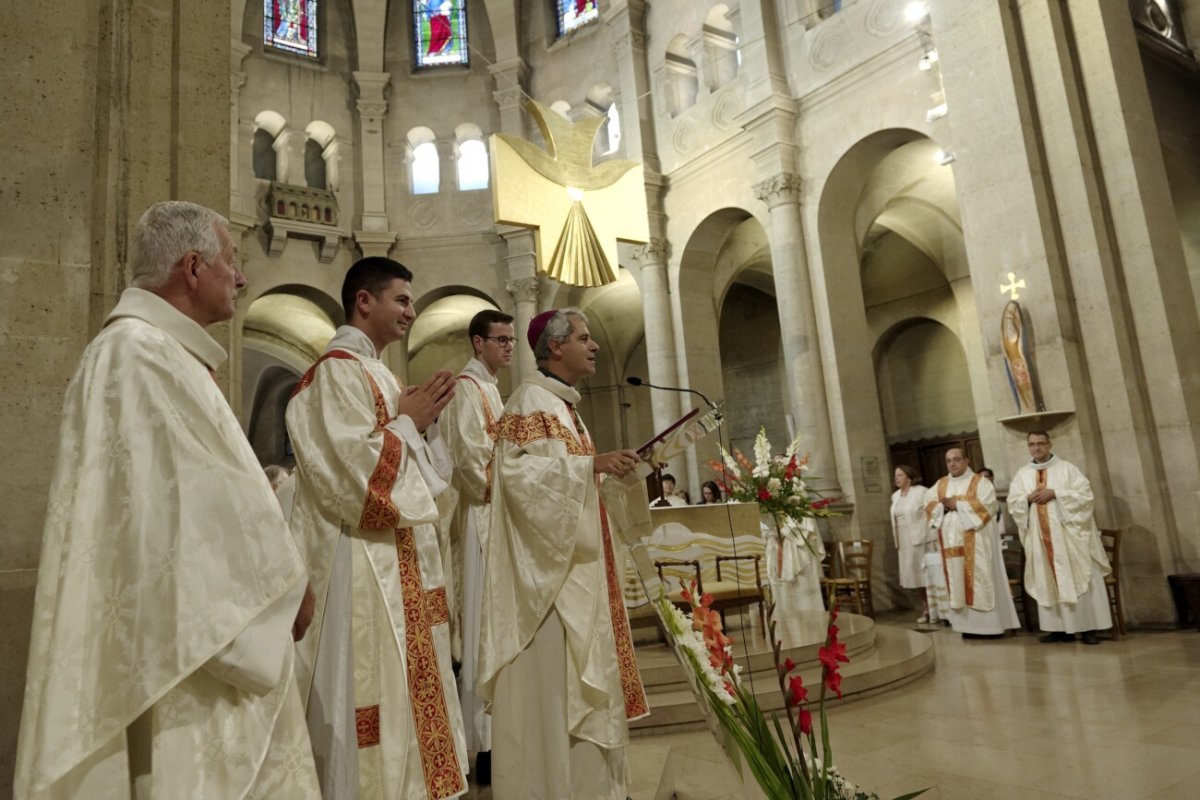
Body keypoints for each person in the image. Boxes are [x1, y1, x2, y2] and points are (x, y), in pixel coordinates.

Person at [15, 201, 320, 799]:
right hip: (187, 659)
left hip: (203, 636)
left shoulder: (161, 353)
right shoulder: (136, 355)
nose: (241, 277)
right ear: (192, 267)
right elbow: (165, 526)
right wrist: (282, 587)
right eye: (231, 261)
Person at [286, 257, 468, 799]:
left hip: (398, 565)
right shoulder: (336, 372)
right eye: (402, 299)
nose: (412, 311)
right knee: (372, 706)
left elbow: (417, 475)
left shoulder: (379, 374)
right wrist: (409, 423)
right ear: (364, 301)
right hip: (361, 568)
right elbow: (352, 478)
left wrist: (421, 429)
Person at [478, 308, 649, 799]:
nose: (594, 346)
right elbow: (517, 482)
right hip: (549, 595)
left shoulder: (564, 408)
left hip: (575, 578)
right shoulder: (530, 402)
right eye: (584, 337)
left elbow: (573, 481)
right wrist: (589, 466)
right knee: (555, 701)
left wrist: (609, 473)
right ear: (555, 347)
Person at [438, 308, 514, 785]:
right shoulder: (467, 391)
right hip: (483, 519)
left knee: (498, 629)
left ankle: (500, 735)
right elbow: (469, 460)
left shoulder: (492, 391)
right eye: (499, 339)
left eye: (510, 339)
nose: (508, 346)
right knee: (483, 630)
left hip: (501, 519)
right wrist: (517, 479)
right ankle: (483, 745)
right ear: (477, 343)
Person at [1007, 431, 1112, 645]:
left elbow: (1086, 498)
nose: (1036, 448)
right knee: (1047, 580)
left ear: (1049, 444)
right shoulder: (1022, 474)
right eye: (1032, 444)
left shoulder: (1067, 469)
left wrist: (1056, 494)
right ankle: (1058, 629)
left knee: (1078, 577)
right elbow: (1013, 503)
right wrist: (1027, 499)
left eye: (1040, 443)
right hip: (1040, 538)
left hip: (1069, 539)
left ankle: (1088, 628)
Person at [924, 448, 1020, 638]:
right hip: (951, 546)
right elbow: (928, 505)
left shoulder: (980, 483)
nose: (952, 464)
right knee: (957, 582)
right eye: (949, 460)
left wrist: (957, 505)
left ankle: (990, 627)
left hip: (977, 544)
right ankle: (967, 627)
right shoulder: (941, 484)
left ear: (966, 461)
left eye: (957, 460)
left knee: (980, 581)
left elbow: (987, 507)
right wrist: (941, 507)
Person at [890, 465, 939, 623]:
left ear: (909, 477)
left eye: (900, 475)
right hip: (904, 540)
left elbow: (932, 513)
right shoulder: (896, 495)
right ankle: (926, 609)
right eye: (896, 475)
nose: (897, 478)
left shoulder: (922, 492)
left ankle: (936, 609)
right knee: (915, 577)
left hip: (921, 538)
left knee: (925, 575)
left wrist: (932, 535)